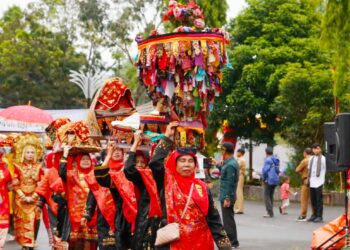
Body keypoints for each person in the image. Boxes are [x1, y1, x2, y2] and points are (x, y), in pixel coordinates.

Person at [149, 122, 232, 250]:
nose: (187, 164)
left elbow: (214, 219)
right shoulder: (167, 181)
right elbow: (155, 163)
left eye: (190, 161)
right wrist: (166, 137)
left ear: (195, 165)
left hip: (201, 243)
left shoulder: (202, 187)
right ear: (175, 164)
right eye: (182, 161)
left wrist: (225, 246)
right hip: (173, 242)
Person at [124, 130, 163, 249]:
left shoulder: (171, 175)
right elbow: (129, 169)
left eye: (142, 162)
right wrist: (135, 143)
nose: (140, 164)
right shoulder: (144, 177)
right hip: (145, 219)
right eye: (137, 162)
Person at [94, 142, 136, 250]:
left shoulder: (135, 173)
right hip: (110, 215)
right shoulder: (116, 176)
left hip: (135, 218)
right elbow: (101, 178)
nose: (117, 152)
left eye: (119, 150)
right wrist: (108, 155)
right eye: (114, 150)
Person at [59, 146, 98, 249]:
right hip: (76, 216)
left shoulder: (96, 175)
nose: (85, 161)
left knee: (90, 244)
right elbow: (62, 172)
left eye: (87, 159)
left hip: (92, 215)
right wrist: (65, 153)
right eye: (83, 159)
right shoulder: (73, 175)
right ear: (78, 161)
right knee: (76, 244)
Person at [12, 134, 44, 250]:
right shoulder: (17, 166)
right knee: (22, 222)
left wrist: (33, 197)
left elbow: (41, 184)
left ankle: (31, 244)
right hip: (21, 200)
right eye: (28, 152)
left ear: (35, 153)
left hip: (34, 199)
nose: (30, 154)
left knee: (33, 221)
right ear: (23, 153)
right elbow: (15, 183)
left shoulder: (39, 166)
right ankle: (24, 245)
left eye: (32, 152)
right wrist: (23, 196)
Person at [215, 142, 240, 248]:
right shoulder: (229, 162)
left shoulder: (231, 165)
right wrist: (216, 164)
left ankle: (233, 241)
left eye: (222, 150)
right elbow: (224, 173)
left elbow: (230, 182)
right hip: (226, 195)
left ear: (225, 151)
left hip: (227, 195)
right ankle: (233, 241)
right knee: (228, 218)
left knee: (228, 220)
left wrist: (227, 198)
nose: (221, 152)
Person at [307, 143, 326, 223]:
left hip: (319, 181)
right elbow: (309, 169)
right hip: (312, 181)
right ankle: (314, 214)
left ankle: (319, 216)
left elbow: (324, 168)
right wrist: (308, 179)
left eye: (317, 148)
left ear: (320, 149)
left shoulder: (323, 158)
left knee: (319, 200)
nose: (316, 150)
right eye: (314, 149)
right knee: (313, 199)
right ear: (312, 150)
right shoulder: (311, 158)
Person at [262, 146, 280, 218]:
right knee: (271, 195)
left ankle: (269, 212)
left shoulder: (267, 160)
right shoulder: (276, 159)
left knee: (266, 195)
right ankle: (270, 211)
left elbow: (265, 171)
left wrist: (264, 178)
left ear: (266, 152)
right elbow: (278, 170)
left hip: (268, 179)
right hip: (275, 179)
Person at [295, 147, 313, 221]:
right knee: (313, 199)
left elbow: (297, 169)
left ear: (305, 153)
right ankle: (314, 214)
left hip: (305, 181)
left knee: (304, 199)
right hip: (314, 181)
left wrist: (301, 172)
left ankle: (303, 215)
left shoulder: (305, 161)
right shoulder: (313, 159)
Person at [0, 151, 12, 250]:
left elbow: (9, 185)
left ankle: (1, 244)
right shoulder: (5, 169)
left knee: (3, 223)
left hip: (3, 200)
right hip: (3, 198)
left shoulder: (5, 169)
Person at [234, 148, 246, 214]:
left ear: (240, 153)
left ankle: (239, 208)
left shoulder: (241, 160)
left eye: (237, 152)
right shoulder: (240, 159)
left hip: (240, 176)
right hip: (239, 176)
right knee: (238, 191)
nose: (236, 153)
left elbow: (236, 166)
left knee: (239, 191)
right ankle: (237, 207)